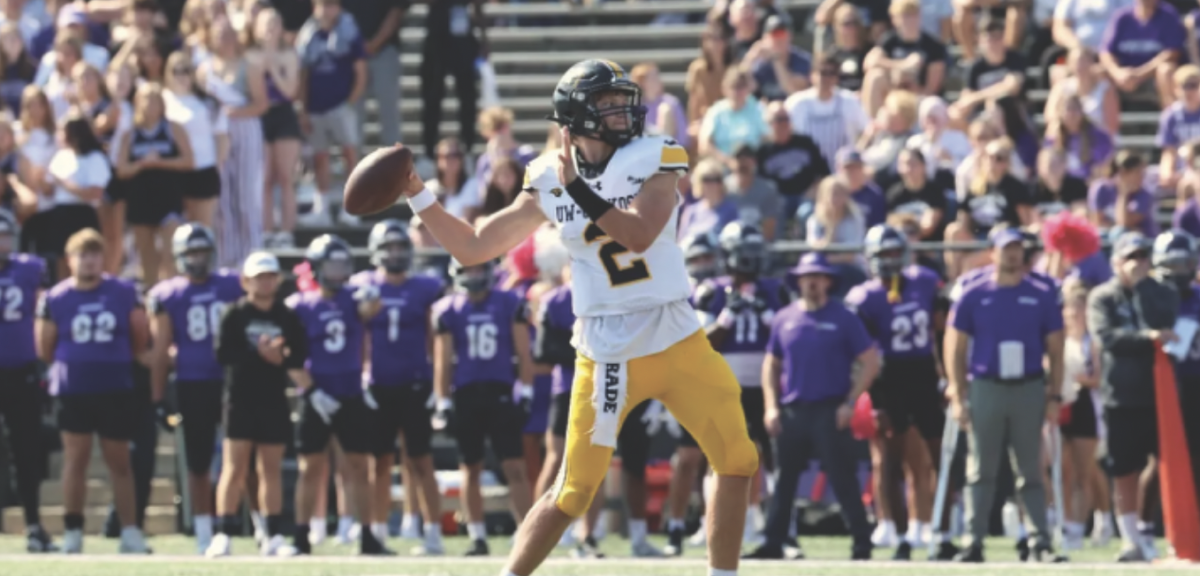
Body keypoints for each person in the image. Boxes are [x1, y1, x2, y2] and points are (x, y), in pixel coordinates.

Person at [402, 59, 759, 576]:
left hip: (676, 332)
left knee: (738, 458)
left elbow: (639, 234)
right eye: (608, 104)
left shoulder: (655, 154)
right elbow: (474, 248)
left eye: (623, 101)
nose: (623, 111)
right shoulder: (549, 175)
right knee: (573, 491)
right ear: (578, 116)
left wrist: (579, 192)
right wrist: (418, 193)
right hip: (608, 348)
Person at [666, 222, 789, 555]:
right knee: (716, 457)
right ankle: (713, 524)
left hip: (764, 386)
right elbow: (700, 344)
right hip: (722, 384)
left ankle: (779, 530)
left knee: (775, 459)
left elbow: (789, 337)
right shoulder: (711, 291)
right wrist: (727, 318)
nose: (748, 262)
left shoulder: (774, 289)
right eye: (743, 254)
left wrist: (767, 317)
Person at [748, 251, 878, 560]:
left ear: (828, 281)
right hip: (794, 409)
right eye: (807, 278)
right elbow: (771, 364)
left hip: (831, 409)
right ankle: (773, 542)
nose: (813, 283)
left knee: (842, 477)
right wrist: (771, 406)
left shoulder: (844, 317)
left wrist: (850, 401)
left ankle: (861, 542)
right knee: (783, 481)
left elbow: (870, 361)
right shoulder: (785, 318)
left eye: (818, 277)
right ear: (798, 282)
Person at [946, 228, 1065, 563]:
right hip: (987, 385)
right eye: (1006, 249)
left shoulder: (1040, 293)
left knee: (1030, 468)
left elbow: (1056, 347)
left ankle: (1040, 540)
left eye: (1017, 249)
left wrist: (1054, 394)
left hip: (1028, 386)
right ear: (993, 252)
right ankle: (974, 541)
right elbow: (955, 346)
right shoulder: (973, 291)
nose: (1013, 255)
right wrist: (958, 393)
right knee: (980, 468)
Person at [36, 228, 149, 554]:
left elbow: (139, 334)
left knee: (120, 461)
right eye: (82, 255)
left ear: (104, 257)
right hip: (74, 388)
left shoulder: (123, 291)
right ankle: (73, 531)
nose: (88, 261)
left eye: (94, 254)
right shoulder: (56, 297)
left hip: (114, 386)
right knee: (75, 459)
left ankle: (130, 531)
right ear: (70, 260)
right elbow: (45, 345)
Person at [844, 224, 946, 560]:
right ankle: (901, 536)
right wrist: (871, 391)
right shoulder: (864, 296)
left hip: (923, 373)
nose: (889, 260)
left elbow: (943, 328)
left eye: (893, 253)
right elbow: (861, 352)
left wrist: (946, 375)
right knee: (889, 458)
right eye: (882, 254)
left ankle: (940, 533)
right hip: (888, 380)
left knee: (938, 455)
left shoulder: (925, 281)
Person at [286, 234, 389, 555]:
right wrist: (311, 390)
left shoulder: (353, 298)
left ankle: (368, 536)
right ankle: (301, 536)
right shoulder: (299, 306)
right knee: (310, 468)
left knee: (359, 466)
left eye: (341, 265)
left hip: (350, 393)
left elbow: (372, 307)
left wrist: (374, 297)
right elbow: (290, 355)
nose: (336, 272)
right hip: (316, 393)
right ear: (316, 268)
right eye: (330, 265)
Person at [351, 219, 446, 556]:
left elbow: (437, 338)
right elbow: (354, 330)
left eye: (400, 247)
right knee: (379, 463)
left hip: (415, 384)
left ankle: (433, 534)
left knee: (421, 461)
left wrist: (437, 383)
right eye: (388, 247)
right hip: (377, 385)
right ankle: (376, 534)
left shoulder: (424, 287)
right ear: (377, 251)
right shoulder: (363, 285)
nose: (394, 254)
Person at [146, 222, 242, 554]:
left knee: (242, 458)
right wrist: (158, 397)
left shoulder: (232, 284)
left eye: (202, 252)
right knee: (198, 464)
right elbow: (160, 352)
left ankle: (258, 529)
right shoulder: (168, 294)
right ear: (179, 256)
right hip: (192, 383)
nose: (198, 259)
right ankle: (204, 531)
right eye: (191, 253)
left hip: (232, 383)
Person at [431, 257, 534, 556]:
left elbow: (522, 350)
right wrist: (442, 400)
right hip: (466, 394)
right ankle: (477, 536)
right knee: (470, 468)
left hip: (500, 392)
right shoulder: (448, 309)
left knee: (514, 466)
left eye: (479, 268)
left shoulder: (507, 303)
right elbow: (443, 359)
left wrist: (525, 390)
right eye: (469, 269)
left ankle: (526, 533)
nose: (474, 274)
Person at [1087, 232, 1180, 561]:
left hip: (1160, 396)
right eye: (1130, 257)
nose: (1137, 263)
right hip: (1121, 395)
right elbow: (1108, 337)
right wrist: (1147, 338)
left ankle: (1149, 530)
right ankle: (1129, 539)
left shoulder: (1161, 292)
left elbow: (1167, 325)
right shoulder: (1103, 297)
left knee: (1163, 466)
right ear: (1115, 262)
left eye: (1143, 256)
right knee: (1123, 468)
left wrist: (1141, 288)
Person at [208, 250, 306, 557]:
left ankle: (273, 534)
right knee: (234, 468)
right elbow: (224, 354)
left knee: (271, 469)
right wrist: (259, 355)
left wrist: (282, 358)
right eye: (259, 277)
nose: (265, 283)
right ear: (245, 281)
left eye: (270, 277)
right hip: (240, 400)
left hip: (273, 400)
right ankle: (224, 532)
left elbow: (299, 355)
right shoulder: (234, 314)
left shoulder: (286, 316)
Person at [0, 209, 54, 552]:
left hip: (21, 371)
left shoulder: (31, 268)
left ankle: (33, 524)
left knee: (26, 451)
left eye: (4, 234)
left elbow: (45, 310)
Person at [200, 15, 267, 270]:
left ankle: (252, 253)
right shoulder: (205, 69)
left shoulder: (248, 65)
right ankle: (227, 256)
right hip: (217, 132)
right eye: (219, 34)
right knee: (223, 194)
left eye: (229, 33)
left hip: (245, 128)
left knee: (246, 193)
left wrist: (234, 113)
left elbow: (261, 104)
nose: (224, 39)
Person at [116, 82, 195, 287]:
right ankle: (152, 300)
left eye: (155, 100)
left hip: (168, 198)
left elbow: (188, 161)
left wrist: (160, 162)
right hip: (141, 199)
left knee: (171, 253)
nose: (150, 105)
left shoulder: (173, 129)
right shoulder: (130, 134)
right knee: (146, 256)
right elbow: (122, 169)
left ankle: (173, 293)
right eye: (145, 99)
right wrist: (142, 164)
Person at [296, 0, 365, 226]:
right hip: (316, 107)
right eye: (322, 4)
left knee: (349, 155)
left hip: (340, 105)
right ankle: (322, 208)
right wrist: (303, 109)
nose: (327, 9)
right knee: (320, 157)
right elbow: (303, 76)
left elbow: (361, 71)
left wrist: (350, 102)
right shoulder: (307, 36)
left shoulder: (350, 32)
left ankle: (352, 207)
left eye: (331, 4)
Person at [1056, 277, 1108, 551]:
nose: (1074, 316)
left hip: (1085, 405)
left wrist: (1078, 379)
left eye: (1079, 311)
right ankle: (1063, 523)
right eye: (1070, 310)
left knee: (1083, 471)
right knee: (1061, 469)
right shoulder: (1057, 340)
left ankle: (1079, 527)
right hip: (1060, 404)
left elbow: (1100, 378)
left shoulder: (1093, 342)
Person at [249, 7, 299, 245]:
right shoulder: (250, 55)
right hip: (260, 117)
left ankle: (287, 231)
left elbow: (290, 91)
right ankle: (267, 230)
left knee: (285, 176)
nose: (269, 30)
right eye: (265, 25)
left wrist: (273, 69)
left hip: (283, 115)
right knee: (265, 178)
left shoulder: (288, 55)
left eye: (274, 24)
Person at [163, 50, 227, 229]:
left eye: (186, 70)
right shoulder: (161, 100)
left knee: (202, 229)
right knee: (174, 229)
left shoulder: (208, 102)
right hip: (171, 171)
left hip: (203, 169)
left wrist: (217, 166)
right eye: (176, 70)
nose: (181, 75)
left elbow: (221, 135)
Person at [43, 112, 109, 281]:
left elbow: (95, 193)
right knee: (61, 256)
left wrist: (64, 184)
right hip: (60, 214)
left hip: (83, 214)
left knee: (88, 255)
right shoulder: (60, 157)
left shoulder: (95, 158)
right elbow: (49, 190)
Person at [420, 0, 485, 157]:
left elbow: (477, 6)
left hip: (463, 39)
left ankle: (468, 148)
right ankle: (429, 151)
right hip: (437, 36)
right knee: (432, 96)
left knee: (468, 97)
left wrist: (484, 38)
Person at [862, 0, 948, 118]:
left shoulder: (933, 46)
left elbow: (932, 89)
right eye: (905, 15)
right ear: (894, 19)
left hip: (919, 97)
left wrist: (909, 82)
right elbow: (869, 62)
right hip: (894, 93)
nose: (910, 20)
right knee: (875, 76)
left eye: (914, 14)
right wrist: (902, 65)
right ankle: (875, 125)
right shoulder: (890, 40)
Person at [785, 54, 869, 167]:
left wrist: (857, 153)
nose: (826, 78)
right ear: (812, 75)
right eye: (823, 73)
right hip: (807, 174)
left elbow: (867, 130)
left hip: (844, 173)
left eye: (831, 73)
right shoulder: (796, 103)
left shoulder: (849, 101)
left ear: (837, 78)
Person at [342, 0, 404, 151]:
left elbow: (397, 10)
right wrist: (356, 47)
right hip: (352, 55)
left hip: (384, 51)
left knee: (389, 111)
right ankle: (353, 164)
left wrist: (375, 43)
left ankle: (394, 162)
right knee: (353, 112)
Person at [1099, 0, 1183, 108]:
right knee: (1097, 72)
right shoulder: (1122, 17)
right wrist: (1117, 73)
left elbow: (1172, 52)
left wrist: (1139, 74)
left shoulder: (1168, 15)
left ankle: (1170, 120)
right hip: (1124, 74)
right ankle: (1099, 123)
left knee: (1166, 70)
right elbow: (1106, 51)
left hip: (1152, 74)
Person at [741, 15, 811, 102]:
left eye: (782, 34)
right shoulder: (759, 64)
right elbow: (740, 86)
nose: (779, 39)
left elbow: (793, 91)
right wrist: (750, 58)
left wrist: (776, 59)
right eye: (774, 35)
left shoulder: (802, 60)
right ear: (765, 38)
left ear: (790, 36)